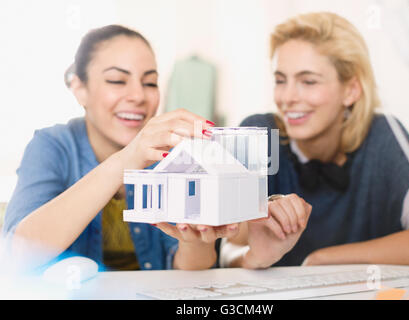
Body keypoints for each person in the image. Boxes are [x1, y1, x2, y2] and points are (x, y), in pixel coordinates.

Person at [2, 25, 239, 271]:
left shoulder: (171, 154)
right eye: (117, 80)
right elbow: (19, 254)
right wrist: (125, 160)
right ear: (79, 89)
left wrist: (197, 243)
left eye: (150, 82)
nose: (138, 95)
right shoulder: (53, 146)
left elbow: (187, 272)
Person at [222, 12, 409, 269]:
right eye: (280, 80)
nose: (288, 97)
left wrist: (322, 260)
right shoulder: (257, 134)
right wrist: (256, 257)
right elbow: (227, 250)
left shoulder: (384, 137)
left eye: (308, 81)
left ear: (351, 90)